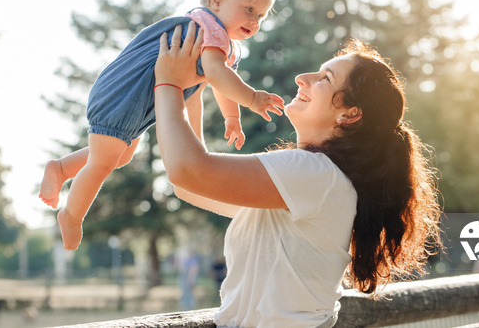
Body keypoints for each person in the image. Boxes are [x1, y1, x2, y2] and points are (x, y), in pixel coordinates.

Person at [153, 22, 442, 328]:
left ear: (349, 114)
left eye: (324, 78)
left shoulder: (314, 174)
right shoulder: (314, 179)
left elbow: (188, 172)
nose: (302, 78)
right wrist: (191, 93)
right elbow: (190, 185)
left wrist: (168, 83)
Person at [39, 0, 285, 250]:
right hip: (122, 96)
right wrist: (252, 98)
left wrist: (231, 119)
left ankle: (62, 168)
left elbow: (209, 84)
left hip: (131, 101)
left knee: (123, 153)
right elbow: (218, 76)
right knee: (103, 161)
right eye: (249, 9)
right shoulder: (209, 32)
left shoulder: (214, 40)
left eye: (261, 15)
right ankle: (72, 215)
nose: (255, 21)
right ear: (217, 0)